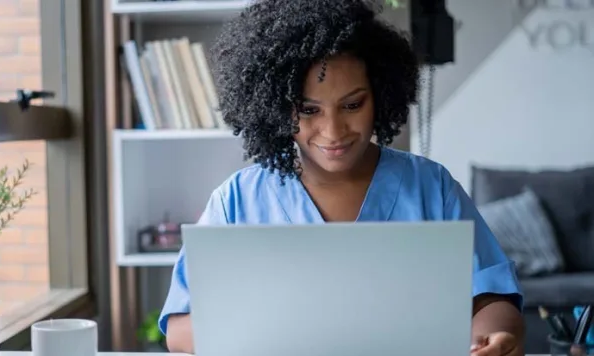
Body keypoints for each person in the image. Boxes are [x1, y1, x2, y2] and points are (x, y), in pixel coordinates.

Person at [159, 0, 525, 355]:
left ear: (381, 96)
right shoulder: (236, 200)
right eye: (308, 110)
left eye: (352, 105)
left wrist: (492, 336)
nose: (333, 131)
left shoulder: (432, 187)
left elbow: (492, 297)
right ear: (275, 106)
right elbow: (180, 328)